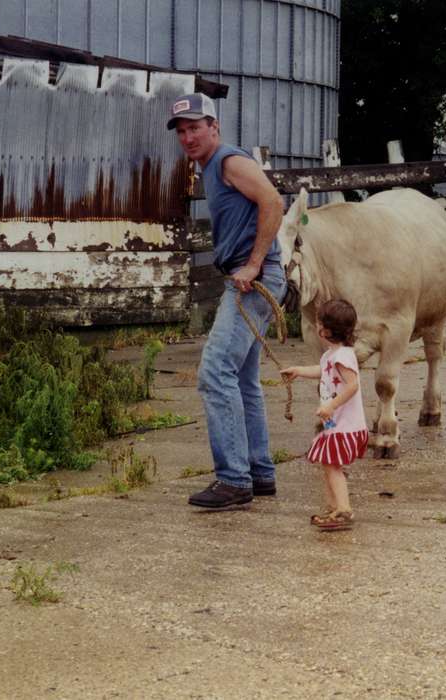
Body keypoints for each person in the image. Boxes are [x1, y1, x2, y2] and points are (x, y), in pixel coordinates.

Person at [168, 92, 287, 508]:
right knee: (242, 379)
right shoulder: (209, 169)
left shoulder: (229, 161)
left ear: (214, 127)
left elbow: (274, 202)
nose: (188, 137)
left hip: (252, 280)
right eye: (181, 131)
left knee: (215, 370)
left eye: (195, 128)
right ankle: (259, 473)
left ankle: (234, 481)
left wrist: (255, 264)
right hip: (249, 278)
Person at [280, 300, 368, 530]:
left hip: (344, 424)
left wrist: (331, 404)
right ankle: (333, 507)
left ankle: (343, 509)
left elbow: (352, 385)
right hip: (335, 425)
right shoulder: (332, 355)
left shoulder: (343, 357)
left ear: (325, 330)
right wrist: (298, 371)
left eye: (318, 322)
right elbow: (323, 372)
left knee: (332, 466)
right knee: (328, 465)